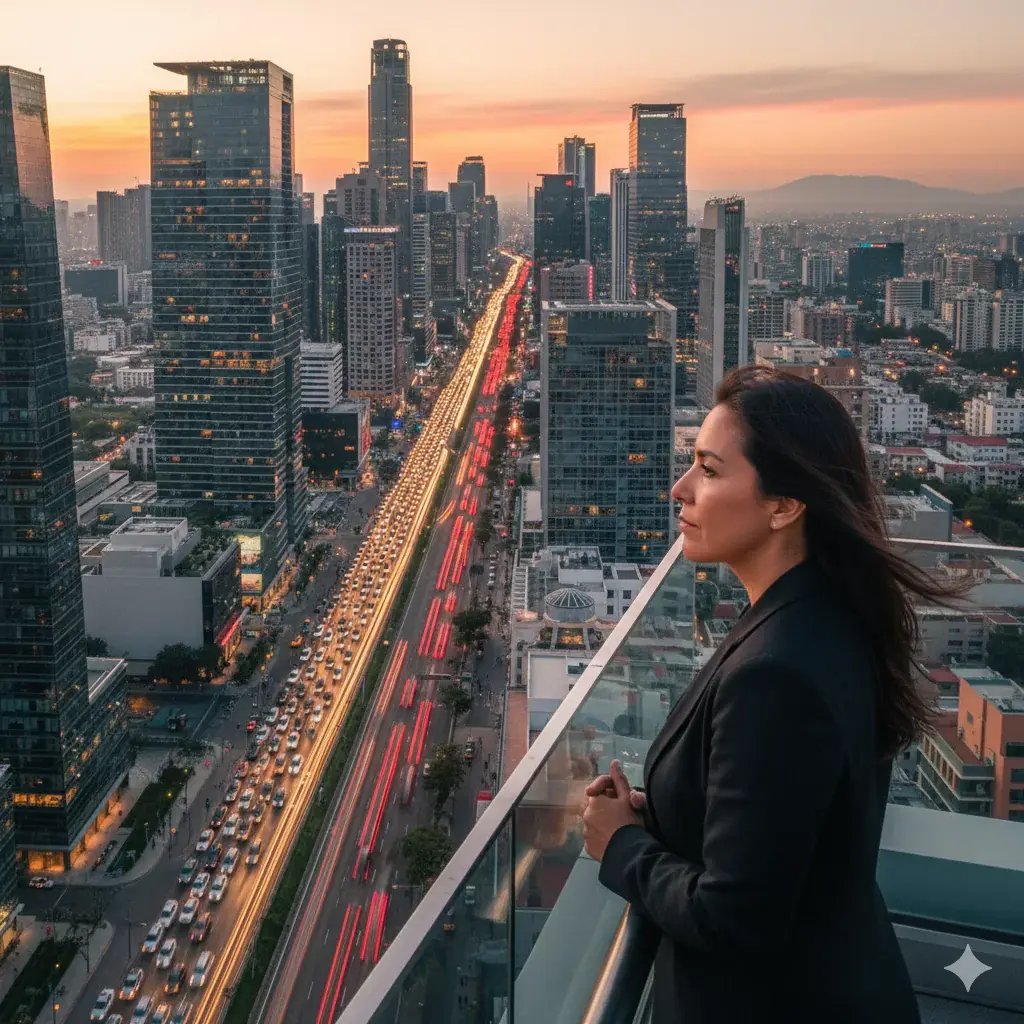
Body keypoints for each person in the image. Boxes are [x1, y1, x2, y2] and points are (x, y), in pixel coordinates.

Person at [582, 366, 954, 1024]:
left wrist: (621, 846)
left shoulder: (776, 674)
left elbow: (735, 919)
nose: (681, 489)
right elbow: (785, 828)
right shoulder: (827, 617)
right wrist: (674, 813)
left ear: (784, 505)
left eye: (709, 470)